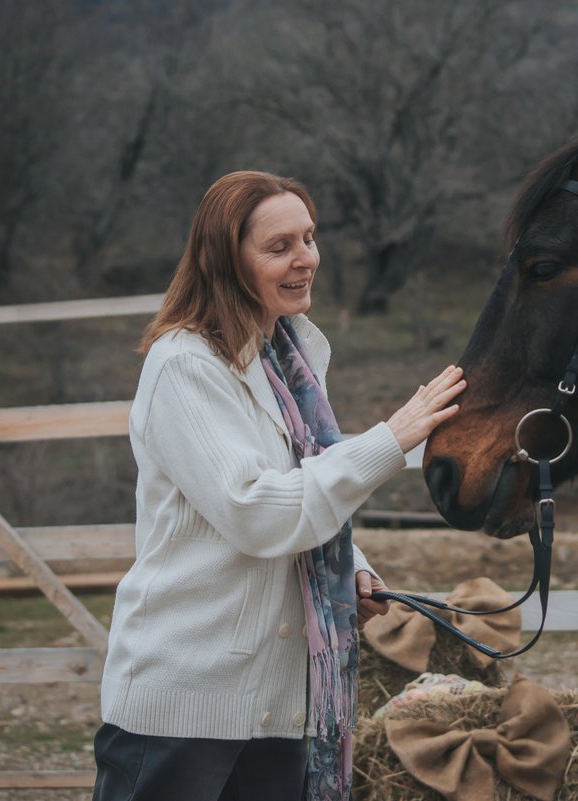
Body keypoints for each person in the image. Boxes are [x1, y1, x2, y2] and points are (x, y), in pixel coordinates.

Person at [91, 171, 465, 801]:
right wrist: (391, 438)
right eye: (279, 246)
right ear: (226, 260)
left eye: (309, 238)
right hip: (188, 703)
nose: (305, 258)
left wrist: (349, 566)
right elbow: (255, 510)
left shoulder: (289, 361)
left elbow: (297, 485)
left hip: (282, 702)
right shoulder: (184, 365)